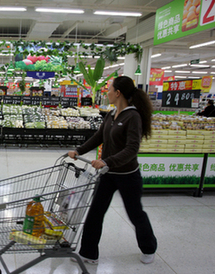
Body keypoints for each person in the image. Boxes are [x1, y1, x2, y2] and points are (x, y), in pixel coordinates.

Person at [68, 76, 157, 265]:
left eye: (109, 89)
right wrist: (78, 150)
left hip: (128, 176)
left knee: (135, 214)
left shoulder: (133, 116)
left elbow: (132, 149)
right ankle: (88, 253)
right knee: (95, 213)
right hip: (107, 175)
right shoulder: (111, 114)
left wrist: (107, 160)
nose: (106, 92)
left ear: (118, 93)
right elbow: (98, 137)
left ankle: (149, 248)